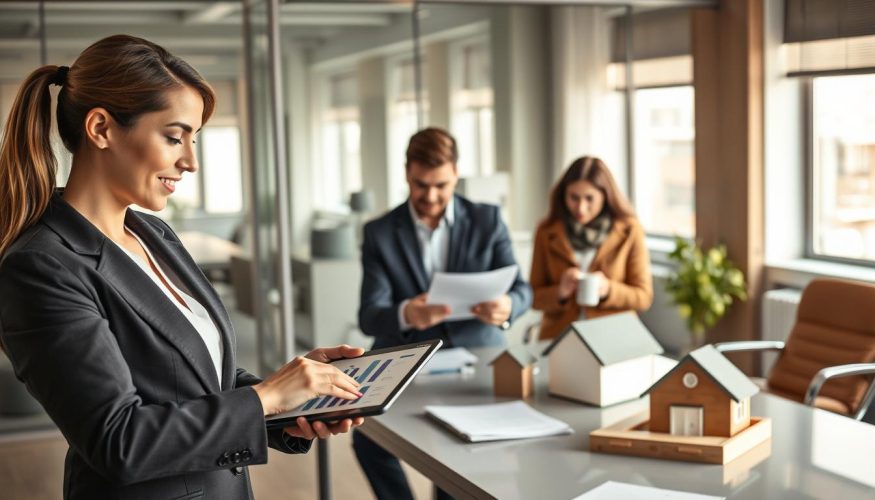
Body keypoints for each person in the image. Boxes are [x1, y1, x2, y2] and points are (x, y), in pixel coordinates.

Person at [0, 35, 364, 500]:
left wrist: (294, 403)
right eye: (174, 137)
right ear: (101, 128)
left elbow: (202, 380)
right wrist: (267, 397)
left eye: (194, 139)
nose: (190, 161)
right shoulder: (42, 267)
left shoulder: (155, 236)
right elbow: (119, 441)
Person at [354, 127, 532, 499]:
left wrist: (508, 306)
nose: (431, 196)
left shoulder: (488, 219)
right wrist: (407, 313)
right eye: (421, 185)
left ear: (455, 174)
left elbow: (522, 289)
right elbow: (370, 316)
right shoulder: (380, 232)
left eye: (442, 185)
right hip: (408, 359)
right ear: (407, 173)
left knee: (456, 457)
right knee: (369, 442)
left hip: (478, 356)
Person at [530, 156, 653, 340]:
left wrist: (608, 289)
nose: (581, 207)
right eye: (574, 198)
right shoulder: (547, 232)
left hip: (614, 338)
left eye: (589, 198)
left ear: (605, 195)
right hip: (559, 339)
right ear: (563, 195)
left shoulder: (629, 230)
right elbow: (533, 297)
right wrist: (560, 292)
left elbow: (643, 297)